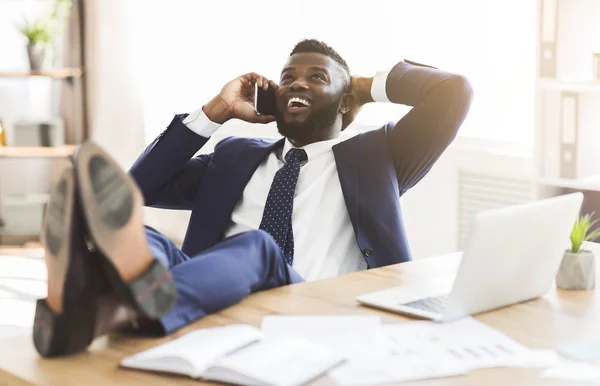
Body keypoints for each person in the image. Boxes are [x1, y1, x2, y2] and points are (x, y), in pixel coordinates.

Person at [34, 39, 472, 357]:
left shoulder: (380, 157)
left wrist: (360, 85)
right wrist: (216, 111)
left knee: (257, 247)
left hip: (315, 313)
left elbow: (453, 92)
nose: (295, 85)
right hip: (214, 300)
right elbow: (141, 188)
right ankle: (95, 310)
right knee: (146, 238)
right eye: (286, 80)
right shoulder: (234, 156)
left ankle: (94, 305)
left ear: (345, 101)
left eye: (316, 78)